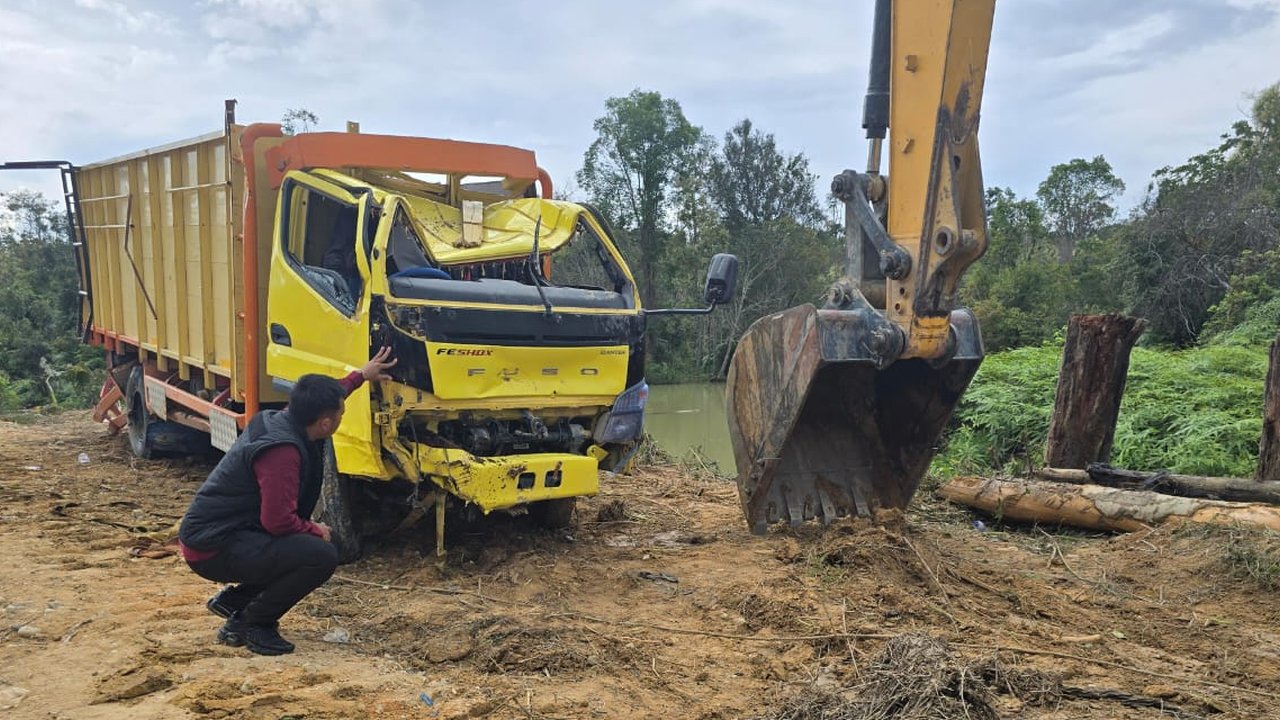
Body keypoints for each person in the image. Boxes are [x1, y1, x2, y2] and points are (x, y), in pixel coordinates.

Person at [177, 347, 397, 655]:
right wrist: (314, 528)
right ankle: (250, 623)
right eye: (339, 415)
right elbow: (277, 521)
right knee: (319, 554)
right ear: (324, 423)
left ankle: (235, 600)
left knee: (300, 548)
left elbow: (329, 397)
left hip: (220, 534)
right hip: (210, 547)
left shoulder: (285, 418)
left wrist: (361, 375)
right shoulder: (283, 452)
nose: (340, 417)